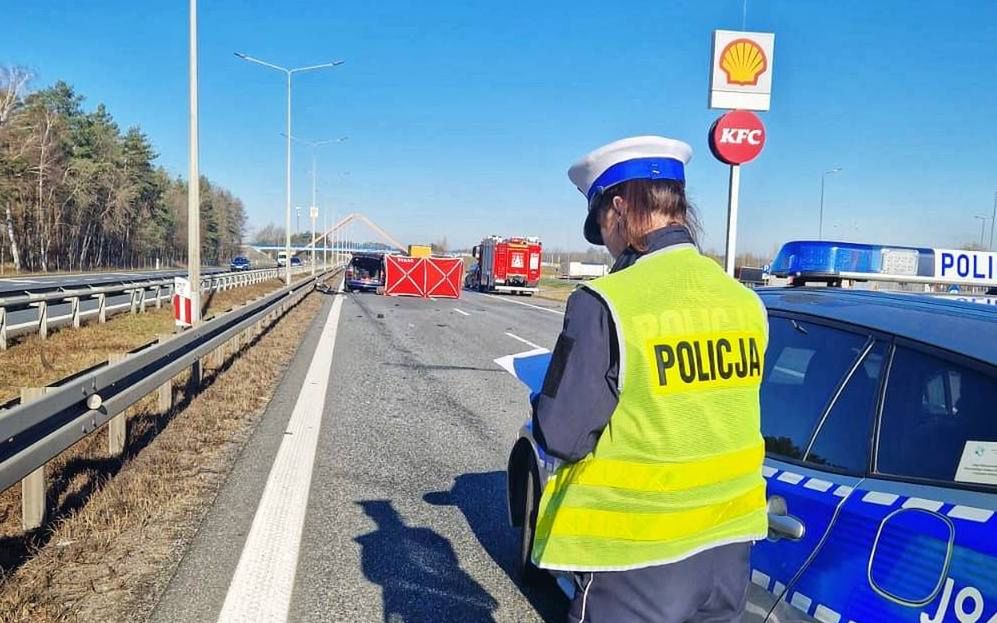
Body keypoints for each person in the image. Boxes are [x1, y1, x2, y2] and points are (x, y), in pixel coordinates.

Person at [531, 136, 769, 623]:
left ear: (618, 208)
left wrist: (544, 396)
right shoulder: (746, 303)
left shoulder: (606, 302)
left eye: (602, 225)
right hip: (728, 550)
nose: (606, 241)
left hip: (637, 563)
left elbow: (561, 435)